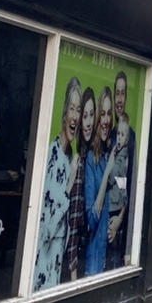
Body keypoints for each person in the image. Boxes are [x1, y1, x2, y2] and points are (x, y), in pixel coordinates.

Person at [33, 75, 81, 291]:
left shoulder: (69, 157)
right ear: (64, 114)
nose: (75, 116)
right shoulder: (52, 155)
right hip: (44, 258)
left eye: (78, 110)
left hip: (56, 256)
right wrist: (70, 182)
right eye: (72, 109)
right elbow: (48, 227)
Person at [64, 86, 96, 281]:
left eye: (91, 116)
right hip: (71, 260)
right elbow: (73, 220)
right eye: (85, 116)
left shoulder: (93, 154)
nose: (88, 122)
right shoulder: (77, 158)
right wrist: (74, 275)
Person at [84, 86, 114, 276]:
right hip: (94, 264)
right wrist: (107, 173)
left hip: (111, 259)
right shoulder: (91, 159)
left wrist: (119, 219)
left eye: (109, 114)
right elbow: (92, 219)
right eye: (102, 114)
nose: (105, 120)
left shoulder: (110, 154)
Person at [107, 112, 131, 269]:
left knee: (112, 240)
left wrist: (111, 159)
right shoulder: (122, 154)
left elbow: (112, 177)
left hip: (114, 205)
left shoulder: (121, 157)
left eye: (123, 135)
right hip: (118, 202)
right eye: (118, 134)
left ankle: (114, 266)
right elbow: (122, 183)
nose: (120, 138)